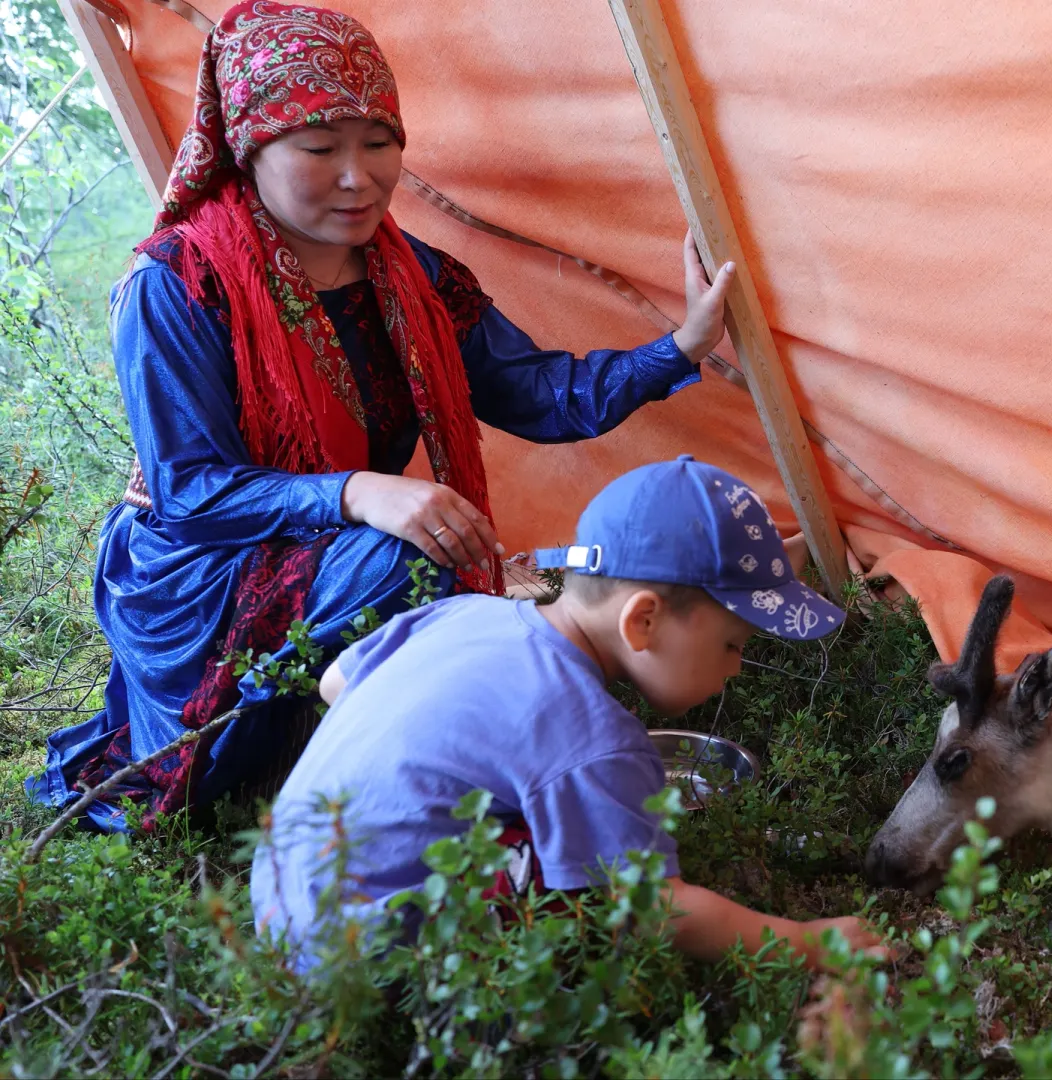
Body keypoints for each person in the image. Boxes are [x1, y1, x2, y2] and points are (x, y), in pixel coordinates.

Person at [27, 1, 736, 831]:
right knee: (405, 561)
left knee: (416, 555)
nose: (359, 176)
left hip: (342, 546)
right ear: (252, 148)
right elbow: (192, 492)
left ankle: (411, 767)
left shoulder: (414, 280)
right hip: (196, 569)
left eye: (380, 142)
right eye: (320, 147)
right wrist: (359, 492)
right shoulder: (177, 285)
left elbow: (541, 397)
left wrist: (680, 348)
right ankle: (377, 775)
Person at [250, 457, 883, 972]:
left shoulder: (467, 613)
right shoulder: (598, 741)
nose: (737, 668)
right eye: (732, 644)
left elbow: (337, 682)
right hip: (358, 959)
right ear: (643, 620)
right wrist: (807, 944)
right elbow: (653, 907)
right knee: (584, 883)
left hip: (277, 899)